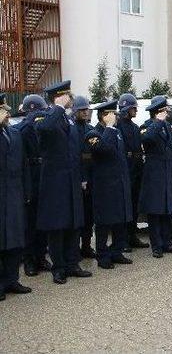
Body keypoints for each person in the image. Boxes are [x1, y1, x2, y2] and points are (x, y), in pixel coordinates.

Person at [35, 80, 92, 284]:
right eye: (68, 96)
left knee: (73, 225)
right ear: (59, 97)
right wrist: (58, 106)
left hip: (72, 181)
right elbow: (45, 129)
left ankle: (72, 264)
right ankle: (58, 269)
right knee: (57, 227)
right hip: (55, 183)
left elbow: (77, 152)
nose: (71, 99)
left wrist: (82, 177)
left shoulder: (68, 121)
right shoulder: (47, 116)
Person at [84, 100, 133, 269]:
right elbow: (103, 149)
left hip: (119, 183)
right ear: (104, 116)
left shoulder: (116, 132)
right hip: (104, 186)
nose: (116, 117)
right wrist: (110, 128)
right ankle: (103, 255)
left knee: (120, 220)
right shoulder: (93, 134)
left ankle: (116, 251)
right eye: (112, 114)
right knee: (104, 223)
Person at [139, 96, 172, 258]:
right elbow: (147, 139)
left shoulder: (167, 126)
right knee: (155, 212)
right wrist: (157, 121)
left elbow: (171, 150)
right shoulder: (147, 126)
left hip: (167, 173)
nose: (168, 112)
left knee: (167, 211)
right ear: (159, 111)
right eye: (165, 109)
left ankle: (167, 242)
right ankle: (156, 246)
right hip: (154, 175)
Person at [15, 94, 51, 276]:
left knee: (43, 220)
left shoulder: (42, 127)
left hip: (43, 174)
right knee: (29, 222)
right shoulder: (21, 130)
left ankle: (41, 256)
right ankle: (29, 259)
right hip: (30, 176)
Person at [1, 94, 32, 301]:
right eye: (3, 110)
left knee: (14, 239)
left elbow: (24, 164)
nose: (8, 113)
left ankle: (12, 279)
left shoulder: (14, 132)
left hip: (14, 193)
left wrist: (27, 191)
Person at [116, 93, 149, 250]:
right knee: (124, 206)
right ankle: (122, 239)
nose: (135, 110)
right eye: (133, 108)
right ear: (126, 109)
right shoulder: (118, 126)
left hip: (136, 168)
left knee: (134, 204)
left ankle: (132, 235)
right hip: (126, 169)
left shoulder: (135, 127)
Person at [72, 95, 96, 259]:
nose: (85, 112)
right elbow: (74, 158)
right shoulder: (71, 128)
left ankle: (86, 246)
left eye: (86, 109)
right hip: (76, 178)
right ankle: (74, 249)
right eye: (81, 110)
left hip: (91, 177)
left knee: (89, 216)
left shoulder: (90, 129)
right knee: (76, 218)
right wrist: (81, 178)